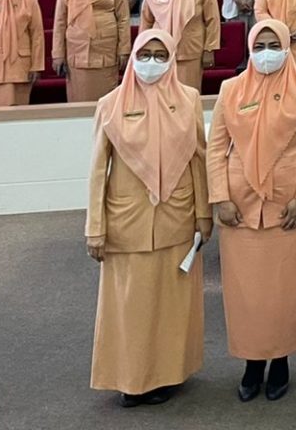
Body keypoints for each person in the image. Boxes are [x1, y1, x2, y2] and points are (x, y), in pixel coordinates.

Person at [86, 28, 211, 407]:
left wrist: (204, 215)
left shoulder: (188, 100)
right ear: (133, 58)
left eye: (160, 55)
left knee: (171, 306)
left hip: (177, 218)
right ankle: (131, 380)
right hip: (127, 222)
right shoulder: (110, 104)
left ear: (171, 59)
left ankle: (167, 376)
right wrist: (95, 228)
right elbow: (97, 171)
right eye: (144, 55)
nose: (151, 62)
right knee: (130, 306)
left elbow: (199, 160)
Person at [209, 19, 296, 403]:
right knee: (247, 293)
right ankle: (252, 362)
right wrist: (220, 198)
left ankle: (281, 360)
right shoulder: (230, 89)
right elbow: (216, 148)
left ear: (287, 47)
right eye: (259, 46)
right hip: (239, 207)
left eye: (274, 45)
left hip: (288, 206)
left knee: (284, 291)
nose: (266, 53)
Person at [53, 0, 131, 103]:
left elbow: (123, 18)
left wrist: (124, 49)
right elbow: (60, 21)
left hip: (106, 49)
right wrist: (58, 54)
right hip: (77, 50)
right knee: (79, 101)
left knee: (106, 102)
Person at [141, 0, 220, 91]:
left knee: (188, 94)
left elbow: (212, 20)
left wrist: (210, 49)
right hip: (160, 54)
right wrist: (142, 50)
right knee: (161, 95)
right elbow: (146, 23)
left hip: (191, 51)